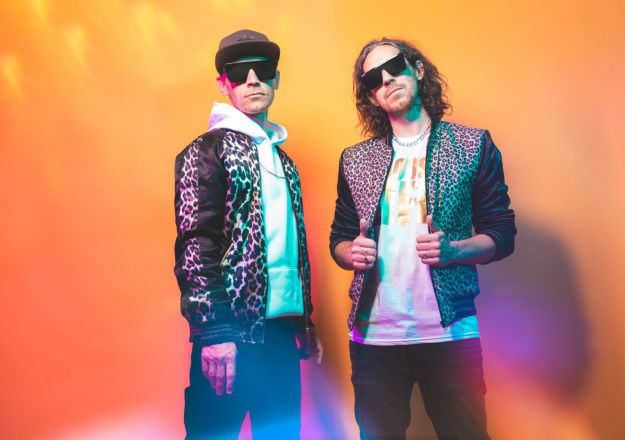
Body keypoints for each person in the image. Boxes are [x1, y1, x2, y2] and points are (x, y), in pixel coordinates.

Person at [330, 38, 516, 439]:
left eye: (394, 66)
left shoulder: (471, 145)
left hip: (449, 331)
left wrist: (454, 250)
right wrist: (350, 252)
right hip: (373, 337)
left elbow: (502, 233)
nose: (386, 80)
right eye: (373, 79)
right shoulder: (355, 159)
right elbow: (340, 239)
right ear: (371, 96)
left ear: (417, 69)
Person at [174, 29, 322, 440]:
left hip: (281, 335)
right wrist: (215, 331)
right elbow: (195, 244)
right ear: (224, 84)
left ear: (276, 78)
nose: (253, 80)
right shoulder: (207, 150)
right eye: (240, 73)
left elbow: (289, 244)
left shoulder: (283, 160)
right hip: (232, 335)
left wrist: (305, 320)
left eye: (263, 70)